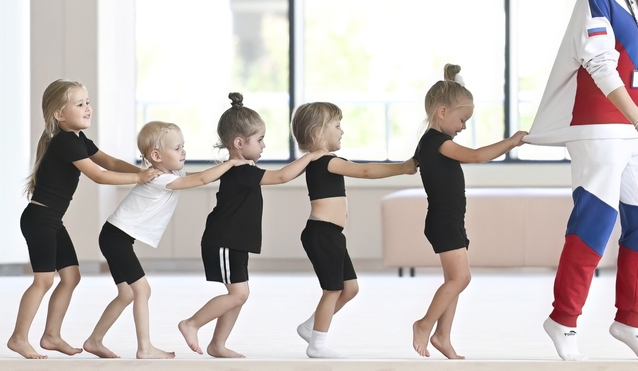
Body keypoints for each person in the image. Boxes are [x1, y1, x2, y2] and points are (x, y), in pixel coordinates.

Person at [524, 0, 638, 361]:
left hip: (631, 129)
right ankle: (563, 320)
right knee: (595, 223)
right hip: (600, 127)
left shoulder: (634, 3)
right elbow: (600, 64)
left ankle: (630, 320)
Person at [7, 79, 161, 359]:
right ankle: (18, 338)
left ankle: (51, 335)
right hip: (40, 219)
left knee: (71, 277)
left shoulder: (78, 139)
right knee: (43, 280)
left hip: (51, 219)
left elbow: (110, 163)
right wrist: (139, 177)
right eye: (79, 104)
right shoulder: (64, 142)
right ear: (59, 114)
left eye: (88, 102)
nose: (88, 108)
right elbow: (99, 175)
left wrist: (150, 174)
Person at [83, 121, 253, 359]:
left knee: (127, 293)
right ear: (156, 156)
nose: (183, 152)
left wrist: (228, 170)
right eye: (177, 148)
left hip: (114, 236)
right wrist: (231, 163)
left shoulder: (171, 174)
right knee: (142, 290)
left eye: (183, 146)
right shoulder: (159, 179)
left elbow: (198, 176)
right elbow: (201, 180)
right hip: (116, 238)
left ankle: (94, 340)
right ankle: (145, 348)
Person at [178, 93, 325, 358]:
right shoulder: (240, 170)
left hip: (235, 242)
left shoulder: (241, 167)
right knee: (238, 294)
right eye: (259, 140)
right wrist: (312, 156)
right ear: (239, 142)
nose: (264, 145)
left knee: (239, 294)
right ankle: (192, 323)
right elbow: (281, 176)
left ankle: (218, 345)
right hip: (224, 241)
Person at [411, 64, 527, 359]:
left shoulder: (433, 142)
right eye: (462, 120)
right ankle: (424, 325)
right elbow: (475, 156)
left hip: (449, 221)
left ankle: (443, 337)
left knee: (455, 279)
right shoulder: (436, 142)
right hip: (444, 221)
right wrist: (511, 142)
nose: (463, 127)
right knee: (460, 279)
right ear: (442, 112)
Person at [290, 101, 417, 359]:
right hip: (322, 233)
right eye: (337, 126)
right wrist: (402, 168)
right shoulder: (326, 161)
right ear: (318, 133)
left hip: (331, 234)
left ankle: (309, 326)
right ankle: (317, 345)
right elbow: (366, 171)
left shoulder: (322, 162)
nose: (342, 131)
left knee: (350, 288)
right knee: (333, 290)